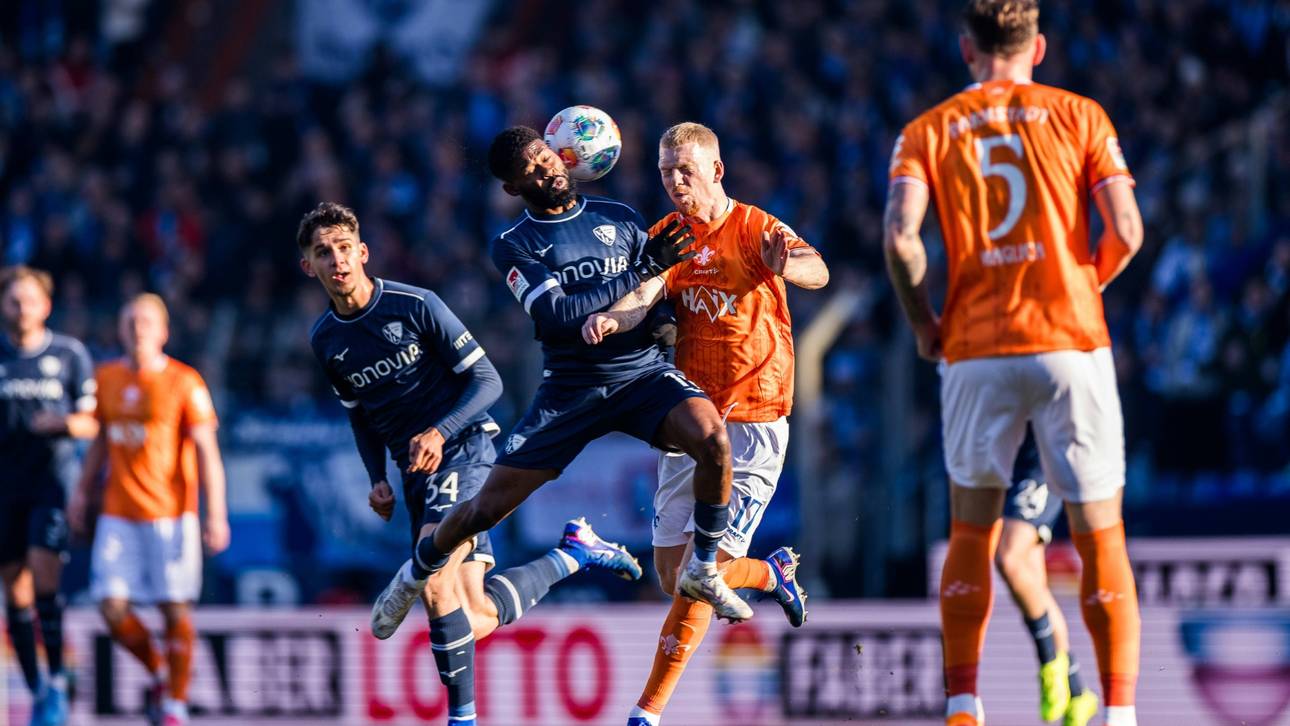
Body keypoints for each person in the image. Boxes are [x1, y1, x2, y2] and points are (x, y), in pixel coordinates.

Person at [372, 124, 754, 632]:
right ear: (513, 189)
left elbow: (655, 294)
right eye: (529, 169)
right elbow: (558, 314)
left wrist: (663, 324)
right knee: (486, 509)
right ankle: (419, 566)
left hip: (640, 375)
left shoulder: (618, 217)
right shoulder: (515, 243)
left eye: (544, 156)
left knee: (713, 440)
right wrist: (639, 271)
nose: (544, 168)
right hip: (571, 390)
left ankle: (704, 567)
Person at [883, 1, 1144, 724]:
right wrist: (1079, 285)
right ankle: (1118, 713)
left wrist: (923, 323)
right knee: (1101, 537)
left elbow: (902, 239)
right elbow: (1127, 227)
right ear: (1040, 48)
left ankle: (964, 707)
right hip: (1071, 340)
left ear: (967, 50)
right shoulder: (1081, 114)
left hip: (975, 347)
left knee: (973, 531)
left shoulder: (925, 132)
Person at [299, 202, 643, 726]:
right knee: (475, 614)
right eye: (323, 253)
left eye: (344, 248)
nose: (336, 260)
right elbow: (359, 415)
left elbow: (490, 382)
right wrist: (376, 479)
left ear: (362, 252)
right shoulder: (326, 339)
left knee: (432, 581)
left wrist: (439, 431)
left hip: (465, 448)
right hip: (414, 472)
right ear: (310, 267)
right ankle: (573, 556)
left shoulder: (415, 305)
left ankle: (462, 719)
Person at [580, 122, 829, 725]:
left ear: (716, 170)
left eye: (685, 171)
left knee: (700, 571)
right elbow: (646, 292)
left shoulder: (754, 227)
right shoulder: (669, 234)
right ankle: (772, 573)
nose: (675, 182)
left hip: (754, 418)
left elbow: (815, 267)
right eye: (666, 172)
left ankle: (647, 712)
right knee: (672, 575)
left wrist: (789, 266)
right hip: (690, 418)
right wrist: (613, 319)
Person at [68, 294, 231, 726]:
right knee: (110, 606)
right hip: (118, 514)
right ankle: (160, 671)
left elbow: (207, 452)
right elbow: (101, 441)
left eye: (146, 321)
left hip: (172, 515)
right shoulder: (106, 378)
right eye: (130, 321)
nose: (138, 328)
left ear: (164, 331)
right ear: (120, 330)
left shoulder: (185, 381)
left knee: (174, 609)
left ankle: (175, 704)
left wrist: (216, 513)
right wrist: (82, 492)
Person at [0, 266, 97, 726]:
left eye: (30, 300)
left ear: (46, 306)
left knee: (44, 580)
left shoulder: (68, 354)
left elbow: (91, 420)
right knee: (14, 592)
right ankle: (38, 686)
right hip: (4, 487)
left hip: (51, 483)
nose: (22, 309)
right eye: (14, 301)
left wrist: (60, 424)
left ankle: (56, 680)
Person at [996, 434, 1099, 725]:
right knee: (1033, 583)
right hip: (1014, 458)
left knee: (1009, 557)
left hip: (1041, 457)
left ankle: (1050, 662)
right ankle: (1077, 690)